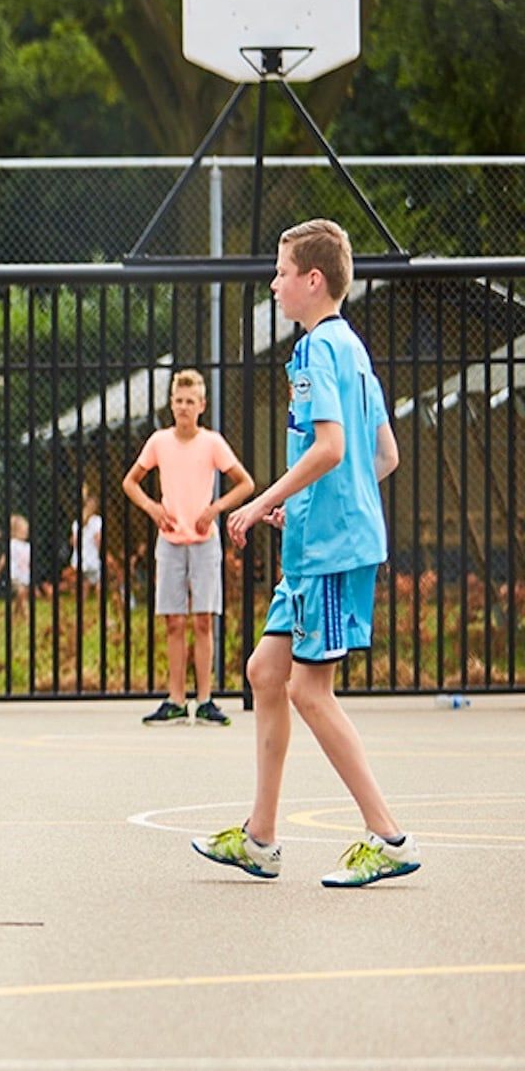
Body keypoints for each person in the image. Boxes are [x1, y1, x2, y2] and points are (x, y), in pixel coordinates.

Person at [193, 219, 417, 888]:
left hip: (327, 550)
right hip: (319, 537)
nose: (274, 281)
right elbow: (384, 456)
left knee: (308, 690)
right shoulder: (352, 349)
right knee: (266, 671)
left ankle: (390, 836)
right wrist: (312, 503)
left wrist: (261, 501)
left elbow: (331, 449)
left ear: (311, 280)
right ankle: (260, 838)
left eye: (282, 271)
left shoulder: (322, 348)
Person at [122, 369, 255, 726]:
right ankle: (176, 699)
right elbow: (131, 482)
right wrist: (153, 508)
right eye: (178, 401)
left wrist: (213, 509)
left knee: (203, 621)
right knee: (174, 622)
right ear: (171, 404)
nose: (183, 407)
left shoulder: (211, 443)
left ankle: (206, 699)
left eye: (190, 401)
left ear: (201, 405)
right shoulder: (159, 442)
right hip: (170, 542)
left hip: (204, 542)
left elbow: (245, 483)